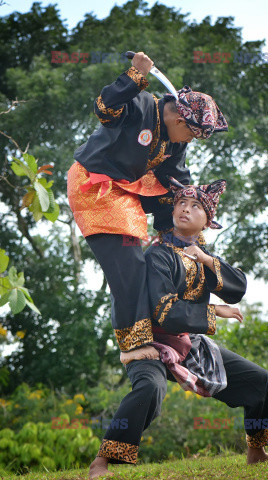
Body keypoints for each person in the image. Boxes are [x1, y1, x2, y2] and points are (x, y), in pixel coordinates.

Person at [88, 178, 268, 478]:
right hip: (149, 341)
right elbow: (164, 311)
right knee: (150, 388)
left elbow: (237, 289)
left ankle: (257, 452)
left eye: (195, 206)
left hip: (188, 343)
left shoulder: (198, 254)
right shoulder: (159, 254)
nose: (185, 209)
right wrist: (213, 311)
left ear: (207, 221)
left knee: (258, 380)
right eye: (181, 203)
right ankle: (102, 461)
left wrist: (207, 259)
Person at [67, 51, 228, 357]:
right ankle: (133, 345)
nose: (189, 141)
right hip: (95, 185)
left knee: (177, 201)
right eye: (192, 135)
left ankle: (170, 312)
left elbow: (178, 182)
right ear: (179, 119)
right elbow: (105, 108)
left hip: (128, 188)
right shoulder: (141, 105)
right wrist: (134, 77)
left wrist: (194, 235)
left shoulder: (176, 142)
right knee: (130, 263)